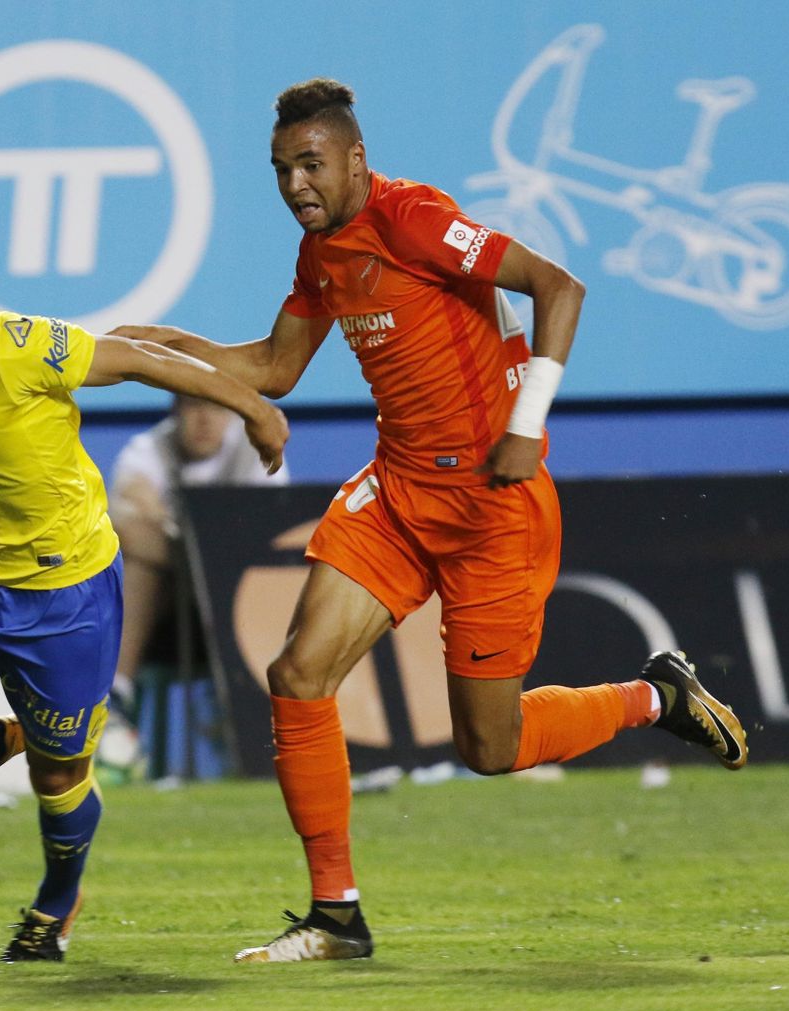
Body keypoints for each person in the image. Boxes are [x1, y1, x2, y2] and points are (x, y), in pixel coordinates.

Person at [111, 79, 747, 963]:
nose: (296, 184)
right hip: (403, 494)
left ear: (355, 159)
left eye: (311, 164)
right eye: (281, 169)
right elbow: (273, 366)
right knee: (297, 674)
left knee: (491, 745)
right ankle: (336, 917)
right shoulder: (321, 255)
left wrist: (528, 423)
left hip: (494, 505)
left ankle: (656, 696)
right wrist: (157, 352)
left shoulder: (412, 219)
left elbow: (559, 288)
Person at [0, 198, 287, 962]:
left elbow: (139, 357)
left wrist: (253, 407)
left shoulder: (8, 344)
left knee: (60, 773)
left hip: (62, 585)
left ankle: (56, 903)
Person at [105, 395, 289, 776]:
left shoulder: (255, 453)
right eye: (192, 407)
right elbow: (126, 521)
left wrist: (171, 531)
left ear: (230, 414)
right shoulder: (147, 450)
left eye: (216, 407)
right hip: (168, 619)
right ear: (175, 413)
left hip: (242, 609)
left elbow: (271, 535)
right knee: (131, 554)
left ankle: (283, 705)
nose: (204, 419)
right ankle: (114, 699)